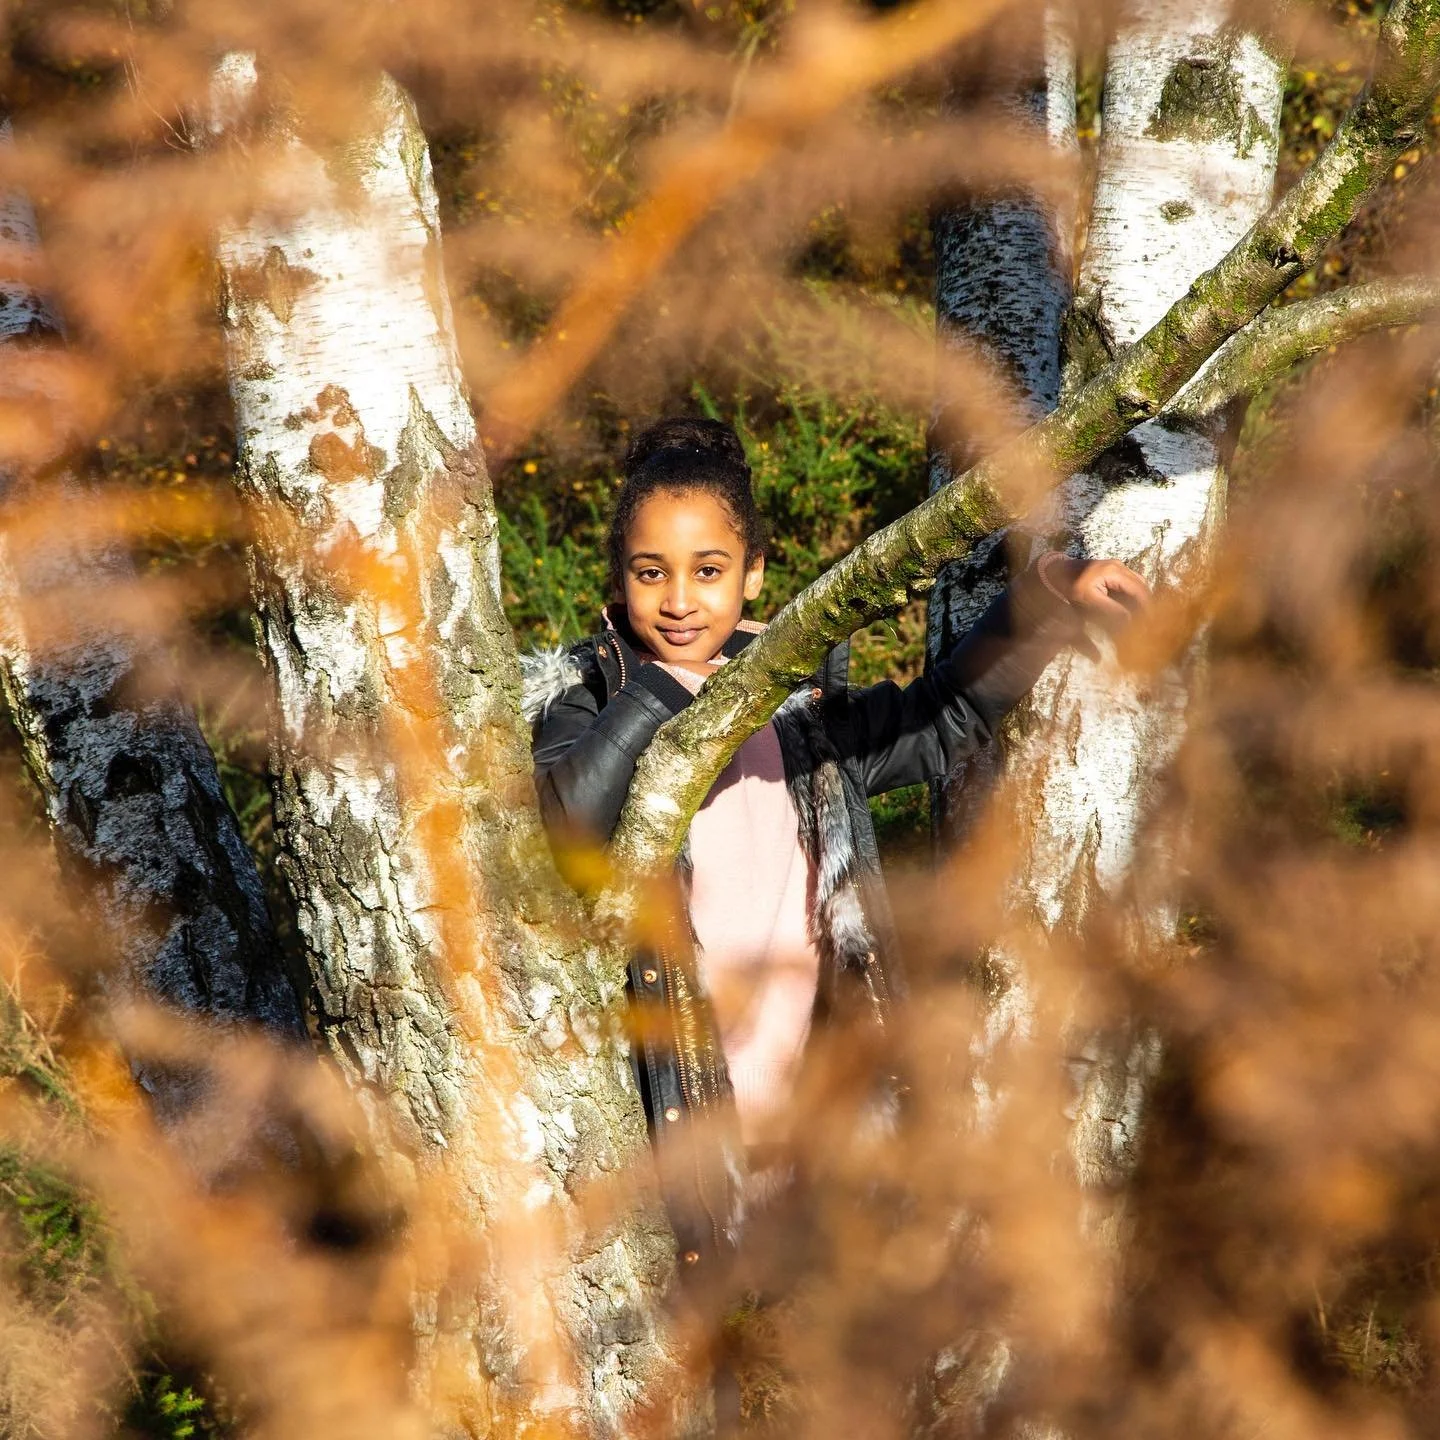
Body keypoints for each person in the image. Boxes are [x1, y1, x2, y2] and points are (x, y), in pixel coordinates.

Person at [523, 417, 1149, 1259]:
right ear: (618, 582)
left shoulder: (802, 719)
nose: (678, 601)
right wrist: (656, 693)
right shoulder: (589, 704)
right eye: (650, 574)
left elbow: (946, 717)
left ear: (754, 577)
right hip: (677, 1147)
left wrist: (1047, 590)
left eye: (708, 572)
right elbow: (566, 831)